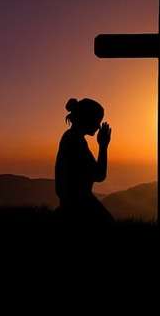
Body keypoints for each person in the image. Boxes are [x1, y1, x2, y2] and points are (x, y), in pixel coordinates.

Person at [55, 97, 114, 231]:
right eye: (97, 120)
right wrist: (103, 146)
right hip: (79, 205)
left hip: (73, 203)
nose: (99, 126)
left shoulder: (71, 138)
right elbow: (99, 175)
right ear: (87, 118)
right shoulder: (75, 142)